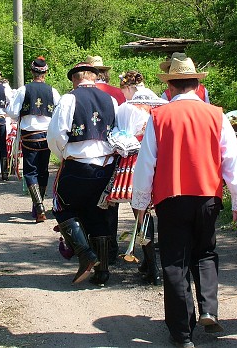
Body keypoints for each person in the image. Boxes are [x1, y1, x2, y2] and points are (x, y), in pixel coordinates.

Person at [132, 56, 237, 348]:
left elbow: (147, 163)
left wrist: (140, 200)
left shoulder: (159, 117)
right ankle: (209, 308)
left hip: (171, 197)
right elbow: (231, 161)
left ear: (170, 87)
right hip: (208, 195)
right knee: (206, 252)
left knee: (175, 261)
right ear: (198, 85)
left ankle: (182, 333)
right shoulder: (216, 114)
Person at [48, 62, 119, 286]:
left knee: (61, 206)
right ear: (94, 78)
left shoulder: (70, 98)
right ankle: (103, 271)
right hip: (106, 165)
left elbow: (56, 134)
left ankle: (86, 255)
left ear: (74, 79)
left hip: (78, 164)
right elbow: (117, 132)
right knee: (96, 213)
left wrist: (64, 154)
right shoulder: (111, 100)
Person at [101, 70, 167, 285]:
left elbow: (119, 136)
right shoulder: (161, 104)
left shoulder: (126, 108)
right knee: (151, 212)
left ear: (128, 87)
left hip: (134, 161)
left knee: (140, 213)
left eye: (124, 90)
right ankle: (151, 264)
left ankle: (151, 267)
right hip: (160, 161)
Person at [7, 56, 61, 223]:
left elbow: (12, 113)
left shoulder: (23, 90)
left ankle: (39, 207)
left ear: (32, 72)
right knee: (43, 170)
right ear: (45, 73)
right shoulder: (53, 91)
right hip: (46, 135)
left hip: (29, 135)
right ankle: (39, 206)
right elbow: (59, 112)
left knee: (30, 171)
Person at [84, 55, 125, 261]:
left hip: (85, 154)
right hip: (112, 153)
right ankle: (110, 246)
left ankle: (92, 246)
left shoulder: (79, 93)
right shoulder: (117, 93)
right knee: (110, 200)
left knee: (88, 201)